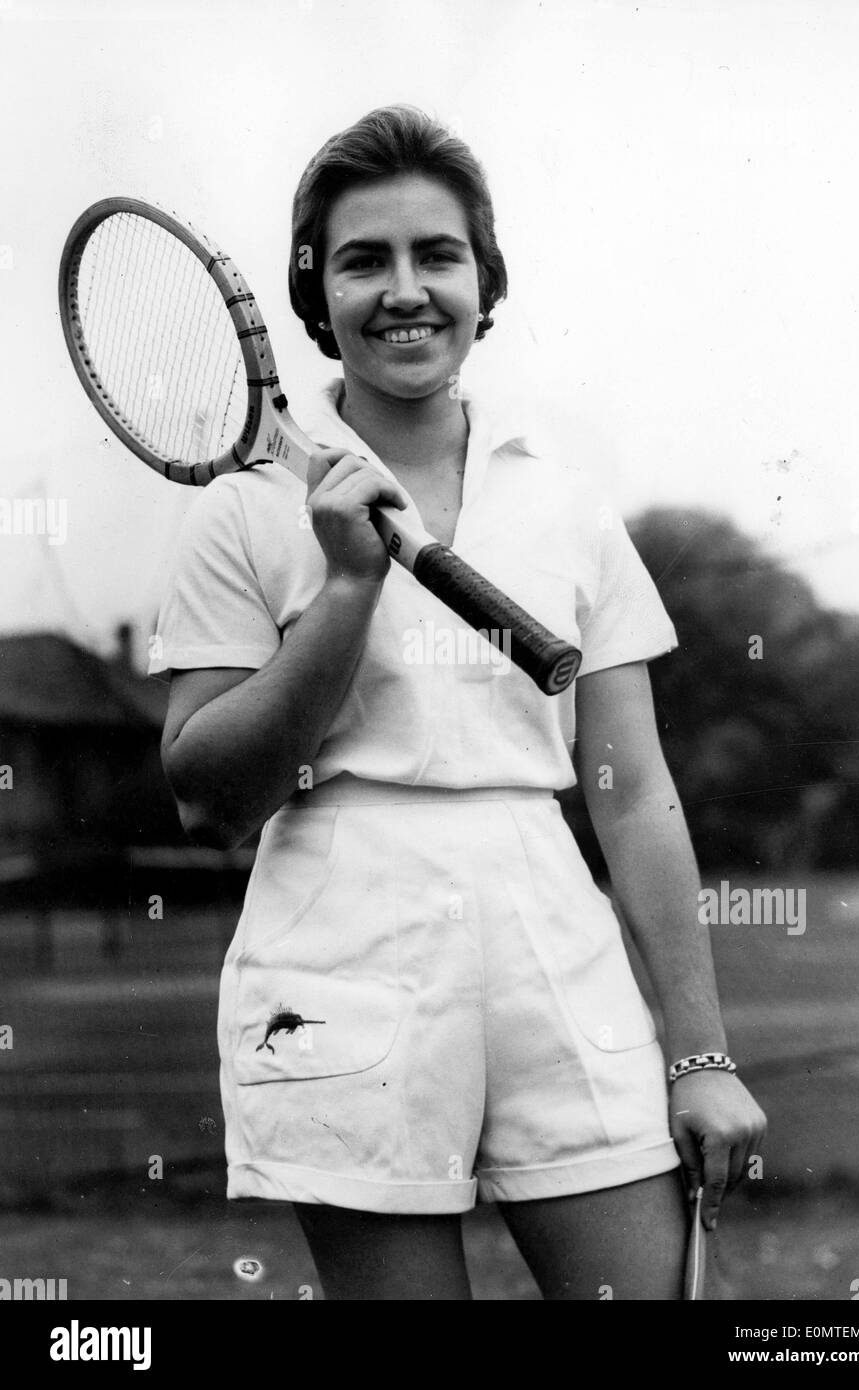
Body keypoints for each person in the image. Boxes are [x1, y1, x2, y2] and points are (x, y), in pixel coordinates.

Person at [150, 104, 766, 1301]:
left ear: (487, 281)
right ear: (312, 290)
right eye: (362, 260)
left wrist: (699, 1053)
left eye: (437, 254)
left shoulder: (567, 502)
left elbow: (631, 796)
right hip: (340, 953)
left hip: (551, 936)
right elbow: (208, 795)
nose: (403, 290)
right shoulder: (237, 509)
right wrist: (344, 585)